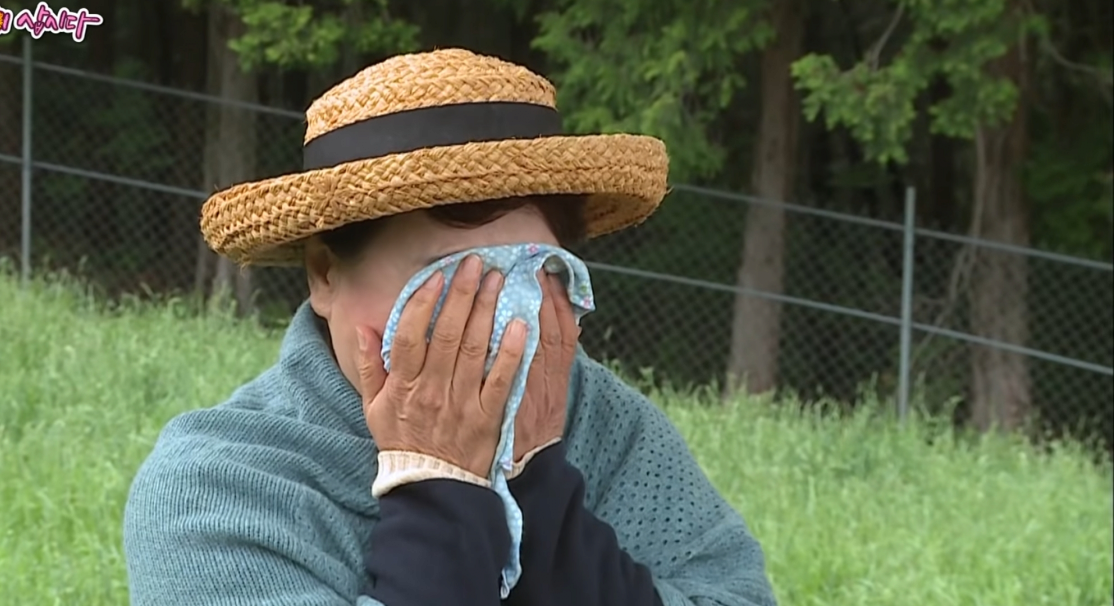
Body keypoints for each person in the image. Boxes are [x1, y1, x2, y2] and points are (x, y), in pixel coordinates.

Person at [123, 48, 777, 606]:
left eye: (530, 272)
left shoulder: (610, 429)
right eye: (453, 280)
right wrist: (442, 490)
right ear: (324, 274)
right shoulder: (215, 486)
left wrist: (538, 488)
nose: (490, 323)